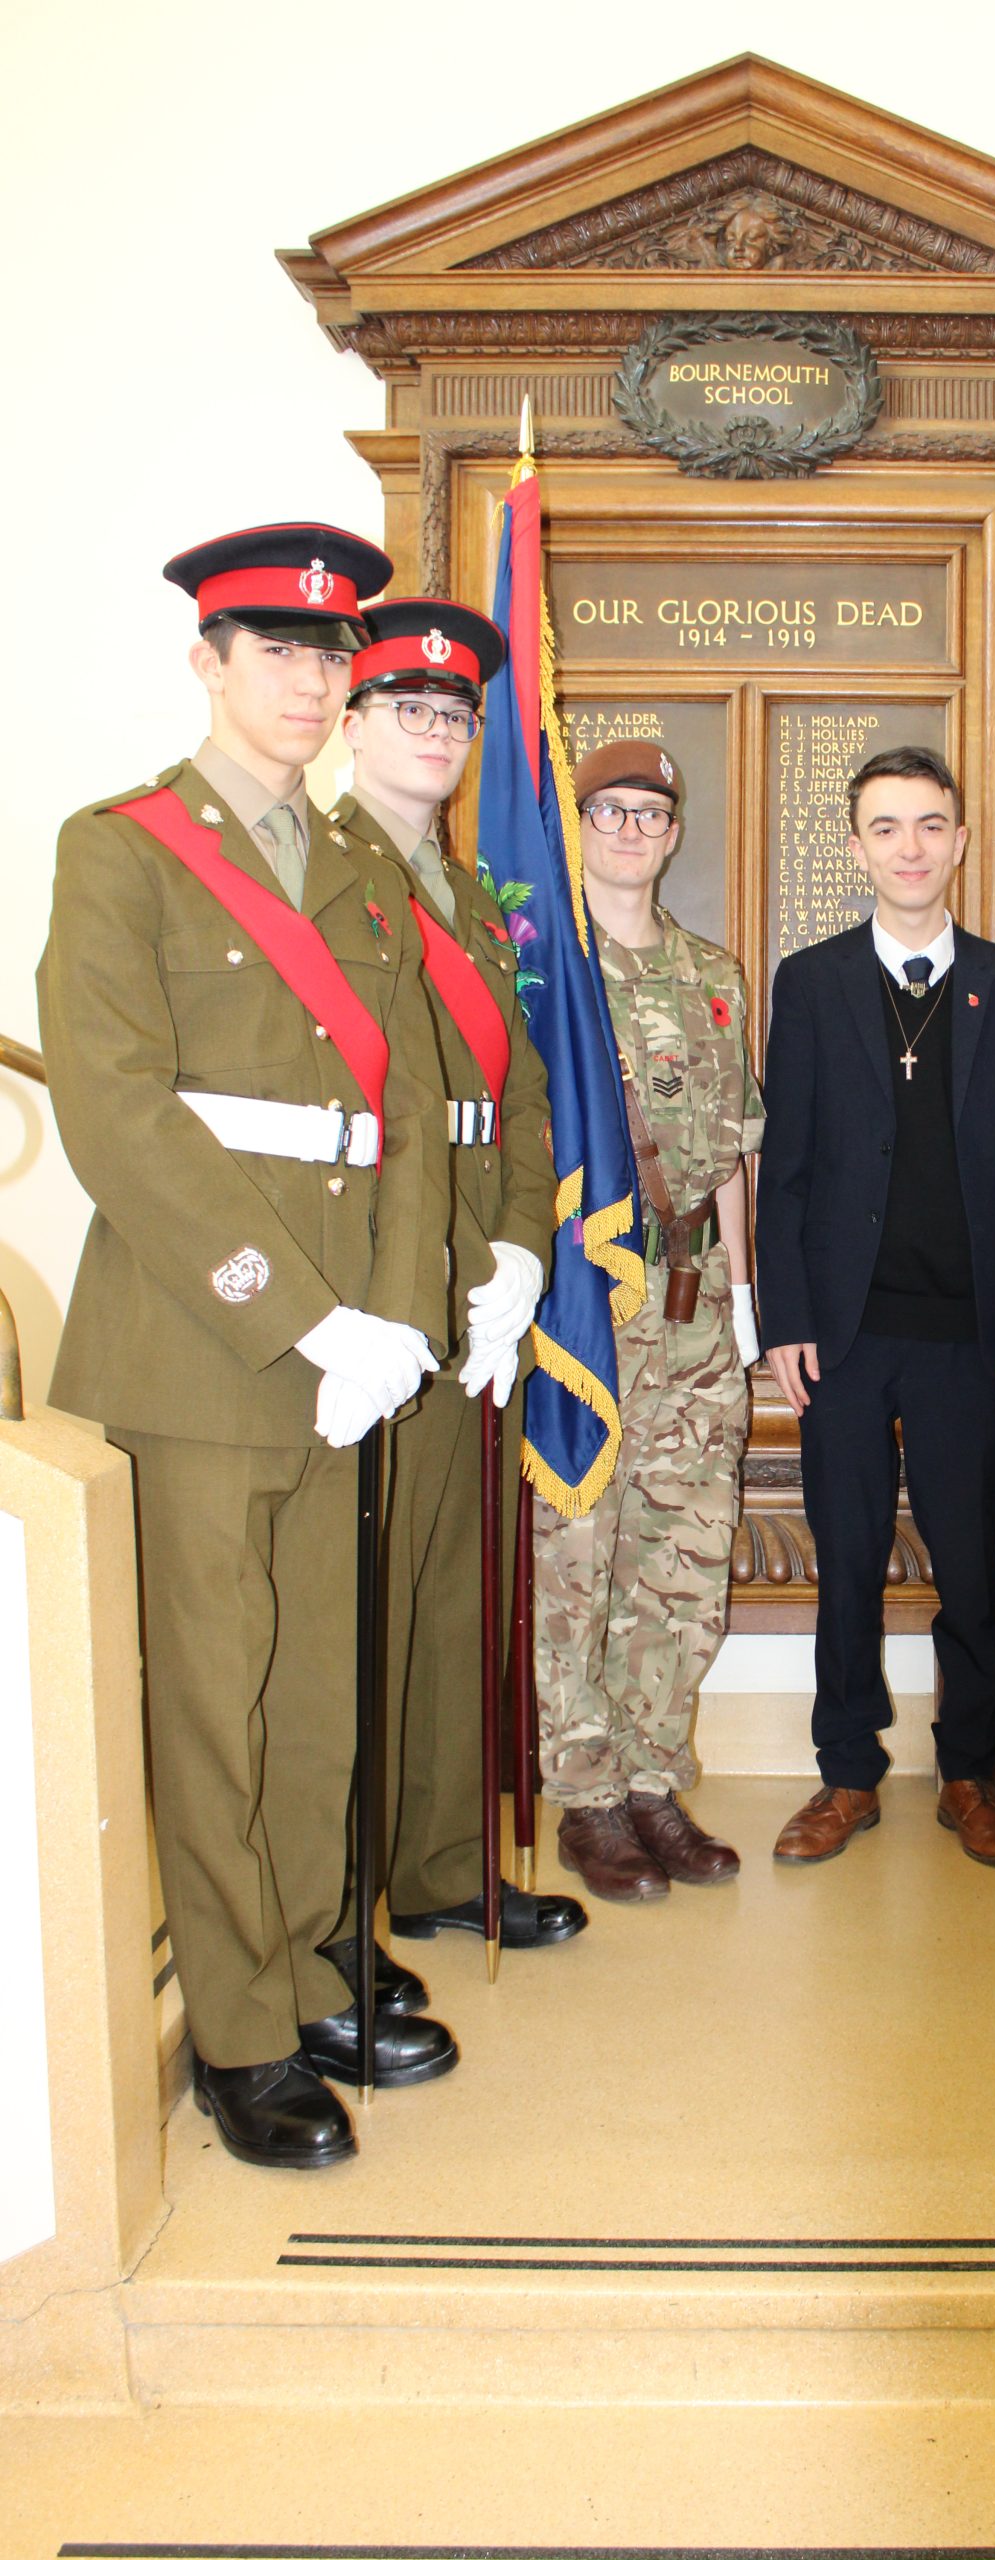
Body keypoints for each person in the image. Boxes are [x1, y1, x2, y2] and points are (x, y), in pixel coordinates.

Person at [37, 524, 458, 2171]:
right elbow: (116, 1115)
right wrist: (306, 1315)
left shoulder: (360, 867)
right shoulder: (121, 851)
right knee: (216, 1701)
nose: (307, 677)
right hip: (202, 1347)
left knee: (314, 1699)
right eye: (273, 648)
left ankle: (300, 1969)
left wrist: (399, 1315)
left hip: (352, 1349)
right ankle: (235, 2033)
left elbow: (407, 1112)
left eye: (327, 652)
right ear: (207, 663)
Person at [328, 597, 583, 1970]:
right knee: (360, 1608)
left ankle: (436, 1868)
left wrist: (522, 1248)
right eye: (407, 707)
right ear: (352, 721)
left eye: (455, 713)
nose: (435, 730)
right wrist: (425, 1263)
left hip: (480, 1264)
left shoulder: (470, 896)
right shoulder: (324, 871)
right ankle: (340, 1904)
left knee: (452, 1588)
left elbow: (521, 1092)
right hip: (381, 1268)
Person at [756, 745, 995, 1868]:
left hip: (968, 1337)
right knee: (845, 1559)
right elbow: (785, 1168)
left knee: (968, 1564)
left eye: (931, 824)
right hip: (842, 1334)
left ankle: (969, 1773)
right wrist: (785, 1317)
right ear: (856, 848)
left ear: (960, 840)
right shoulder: (812, 981)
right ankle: (846, 1774)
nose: (911, 847)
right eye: (886, 827)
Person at [534, 739, 763, 1903]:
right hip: (586, 1304)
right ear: (580, 825)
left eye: (650, 813)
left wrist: (748, 1298)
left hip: (696, 1305)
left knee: (684, 1549)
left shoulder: (714, 973)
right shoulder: (544, 973)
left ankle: (652, 1775)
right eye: (609, 810)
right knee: (580, 1548)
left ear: (674, 833)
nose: (630, 830)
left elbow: (735, 1152)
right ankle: (585, 1791)